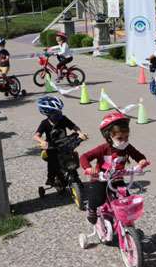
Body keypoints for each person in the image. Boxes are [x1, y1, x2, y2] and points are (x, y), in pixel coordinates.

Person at [79, 112, 149, 246]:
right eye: (120, 138)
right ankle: (92, 209)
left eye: (126, 137)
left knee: (127, 201)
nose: (124, 141)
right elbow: (84, 157)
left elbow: (138, 155)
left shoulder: (127, 147)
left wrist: (142, 162)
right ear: (109, 136)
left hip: (117, 179)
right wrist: (89, 168)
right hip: (101, 179)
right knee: (98, 196)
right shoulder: (103, 149)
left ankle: (128, 226)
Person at [33, 95, 87, 187]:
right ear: (48, 113)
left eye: (60, 111)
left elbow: (74, 127)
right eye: (56, 113)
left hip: (64, 143)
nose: (60, 114)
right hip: (51, 146)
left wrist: (80, 133)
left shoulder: (63, 119)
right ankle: (51, 178)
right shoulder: (44, 123)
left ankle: (75, 176)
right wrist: (42, 141)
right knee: (53, 162)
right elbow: (36, 136)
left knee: (72, 157)